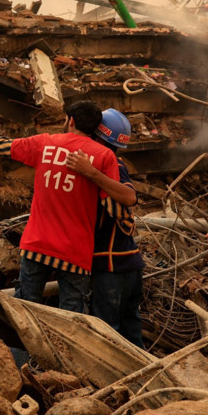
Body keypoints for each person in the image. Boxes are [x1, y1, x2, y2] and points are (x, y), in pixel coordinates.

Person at [0, 101, 121, 312]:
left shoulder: (46, 143)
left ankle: (22, 346)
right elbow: (114, 205)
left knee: (25, 310)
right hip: (75, 252)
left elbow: (10, 146)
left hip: (37, 245)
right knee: (72, 318)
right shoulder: (104, 157)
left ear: (71, 121)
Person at [66, 108, 145, 348]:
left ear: (97, 137)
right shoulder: (115, 164)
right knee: (131, 330)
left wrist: (90, 174)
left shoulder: (109, 167)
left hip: (111, 266)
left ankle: (121, 382)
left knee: (109, 334)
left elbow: (126, 202)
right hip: (129, 263)